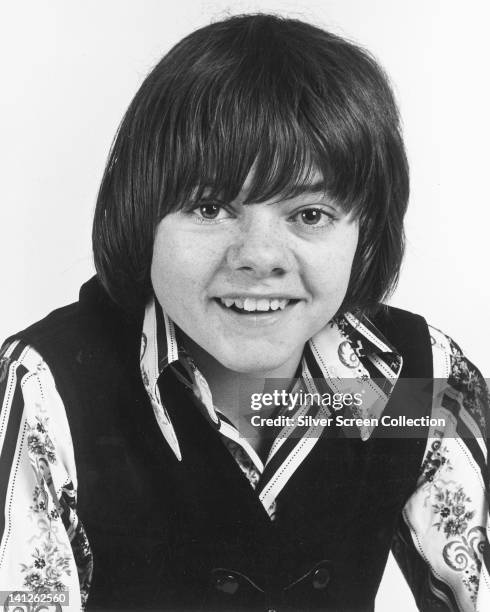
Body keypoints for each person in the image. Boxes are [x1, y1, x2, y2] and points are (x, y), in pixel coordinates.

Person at [0, 13, 488, 612]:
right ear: (140, 214)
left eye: (310, 214)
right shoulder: (52, 388)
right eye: (210, 208)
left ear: (366, 233)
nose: (259, 257)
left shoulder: (413, 384)